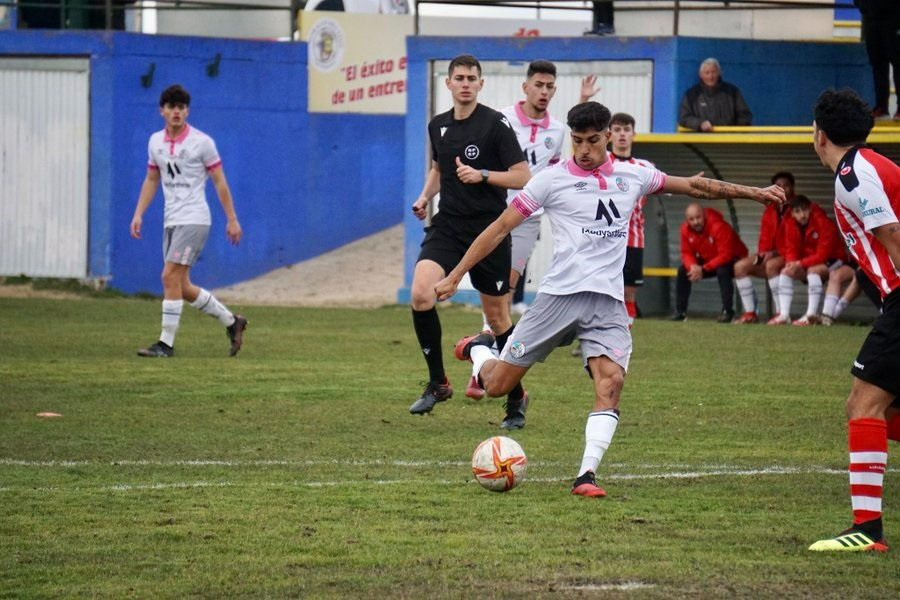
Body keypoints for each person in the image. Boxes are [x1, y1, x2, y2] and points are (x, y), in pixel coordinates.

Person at [434, 101, 784, 498]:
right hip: (558, 299)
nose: (584, 150)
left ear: (607, 137)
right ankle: (481, 350)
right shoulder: (550, 180)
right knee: (496, 385)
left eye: (593, 141)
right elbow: (499, 229)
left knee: (611, 381)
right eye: (577, 141)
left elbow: (696, 185)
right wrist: (456, 274)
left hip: (607, 304)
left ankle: (586, 475)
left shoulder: (633, 174)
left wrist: (755, 193)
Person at [408, 54, 531, 421]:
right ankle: (438, 383)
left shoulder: (495, 124)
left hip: (490, 230)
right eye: (458, 77)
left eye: (471, 78)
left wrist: (484, 175)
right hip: (448, 227)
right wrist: (424, 196)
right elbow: (438, 169)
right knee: (420, 295)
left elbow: (523, 176)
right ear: (448, 83)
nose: (465, 83)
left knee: (497, 319)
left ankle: (517, 395)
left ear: (481, 84)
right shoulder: (438, 125)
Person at [808, 87, 900, 552]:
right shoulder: (869, 166)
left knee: (862, 404)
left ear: (819, 135)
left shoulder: (854, 174)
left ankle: (867, 529)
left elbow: (890, 233)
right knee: (886, 410)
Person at [468, 59, 567, 409]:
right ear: (525, 87)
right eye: (538, 85)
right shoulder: (501, 119)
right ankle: (486, 352)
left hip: (527, 217)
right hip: (496, 211)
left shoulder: (558, 131)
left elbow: (554, 174)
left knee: (507, 287)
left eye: (549, 86)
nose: (543, 91)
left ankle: (484, 352)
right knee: (494, 289)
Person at [130, 84, 247, 358]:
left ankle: (165, 344)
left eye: (181, 107)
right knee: (180, 286)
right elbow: (151, 179)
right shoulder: (155, 142)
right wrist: (138, 213)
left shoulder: (202, 142)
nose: (176, 112)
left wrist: (232, 218)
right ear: (162, 110)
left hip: (194, 218)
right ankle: (232, 322)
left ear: (187, 111)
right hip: (171, 220)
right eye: (171, 107)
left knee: (168, 275)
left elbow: (220, 182)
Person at [733, 171, 796, 324]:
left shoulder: (798, 208)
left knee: (771, 266)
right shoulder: (770, 210)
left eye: (786, 186)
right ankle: (750, 313)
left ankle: (781, 313)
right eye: (779, 186)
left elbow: (794, 242)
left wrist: (772, 253)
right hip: (772, 255)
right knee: (739, 267)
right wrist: (763, 254)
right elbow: (764, 238)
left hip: (790, 256)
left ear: (792, 188)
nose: (782, 189)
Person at [773, 194, 846, 325]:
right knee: (786, 271)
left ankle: (810, 315)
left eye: (804, 210)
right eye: (797, 211)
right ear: (792, 214)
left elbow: (823, 255)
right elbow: (791, 249)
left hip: (835, 258)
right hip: (809, 260)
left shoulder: (823, 223)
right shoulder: (790, 225)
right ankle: (784, 315)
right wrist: (791, 263)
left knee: (813, 271)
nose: (802, 215)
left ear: (810, 209)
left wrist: (799, 263)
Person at [672, 203, 748, 323]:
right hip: (710, 259)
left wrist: (704, 268)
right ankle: (680, 312)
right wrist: (693, 267)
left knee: (722, 270)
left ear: (704, 215)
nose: (696, 222)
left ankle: (727, 311)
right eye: (692, 219)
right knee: (683, 270)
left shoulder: (718, 226)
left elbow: (725, 255)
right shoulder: (685, 229)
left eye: (698, 217)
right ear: (687, 220)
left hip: (734, 258)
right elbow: (686, 253)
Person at [678, 58, 752, 132]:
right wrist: (700, 123)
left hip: (728, 140)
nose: (710, 77)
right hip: (700, 141)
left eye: (714, 72)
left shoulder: (732, 91)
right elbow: (684, 117)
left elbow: (744, 116)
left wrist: (735, 135)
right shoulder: (691, 94)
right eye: (707, 73)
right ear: (700, 75)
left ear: (719, 73)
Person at [854, 1, 900, 119]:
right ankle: (881, 107)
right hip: (871, 20)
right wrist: (863, 6)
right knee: (877, 64)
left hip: (895, 19)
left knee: (898, 63)